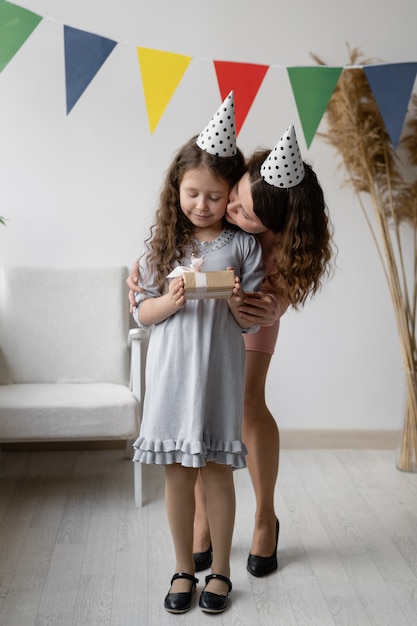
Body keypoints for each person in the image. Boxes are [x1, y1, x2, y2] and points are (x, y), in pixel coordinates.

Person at [129, 124, 333, 580]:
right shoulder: (222, 183)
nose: (235, 208)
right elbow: (175, 225)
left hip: (256, 298)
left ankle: (264, 516)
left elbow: (276, 290)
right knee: (194, 410)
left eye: (250, 214)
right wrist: (144, 280)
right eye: (236, 196)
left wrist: (260, 305)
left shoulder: (276, 241)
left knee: (244, 400)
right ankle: (202, 519)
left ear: (273, 226)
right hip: (191, 314)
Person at [132, 92, 265, 615]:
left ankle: (223, 572)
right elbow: (142, 314)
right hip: (169, 376)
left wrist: (236, 300)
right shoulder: (160, 246)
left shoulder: (242, 245)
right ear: (176, 189)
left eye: (213, 196)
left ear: (227, 195)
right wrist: (169, 298)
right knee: (177, 474)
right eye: (192, 194)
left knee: (216, 471)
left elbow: (249, 315)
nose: (202, 206)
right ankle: (184, 565)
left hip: (218, 376)